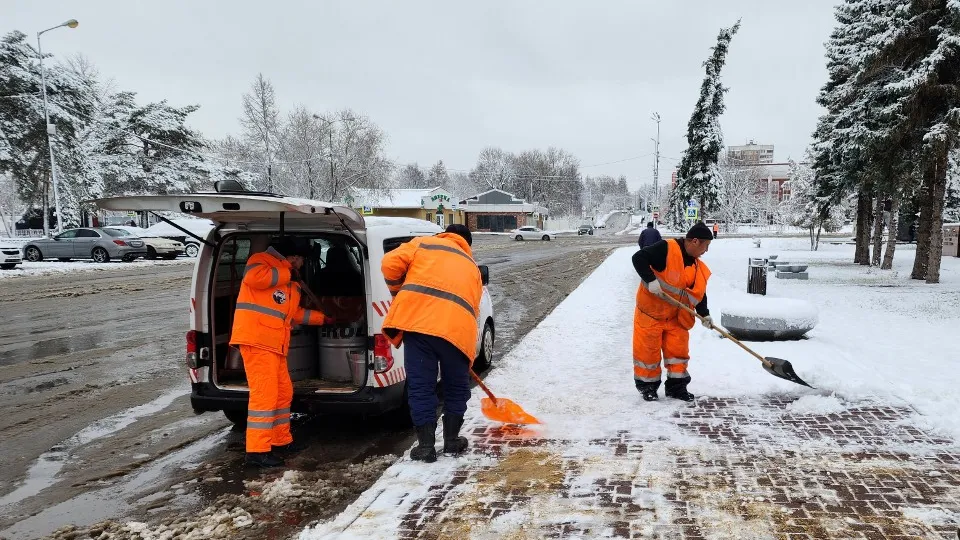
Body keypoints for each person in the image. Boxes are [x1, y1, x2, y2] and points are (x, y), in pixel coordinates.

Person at [381, 224, 483, 463]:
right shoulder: (472, 267)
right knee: (456, 387)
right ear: (467, 243)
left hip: (419, 327)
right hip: (456, 333)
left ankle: (426, 447)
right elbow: (474, 307)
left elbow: (389, 264)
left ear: (444, 234)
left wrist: (399, 292)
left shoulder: (423, 244)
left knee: (421, 386)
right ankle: (451, 442)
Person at [230, 237, 331, 468]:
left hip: (275, 343)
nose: (303, 263)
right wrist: (287, 269)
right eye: (302, 259)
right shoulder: (261, 261)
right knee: (264, 396)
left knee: (283, 392)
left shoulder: (289, 281)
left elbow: (291, 314)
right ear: (293, 257)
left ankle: (280, 440)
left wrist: (322, 319)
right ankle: (257, 451)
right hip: (256, 340)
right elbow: (254, 278)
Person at [631, 222, 714, 402]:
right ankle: (648, 388)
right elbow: (638, 258)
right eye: (705, 246)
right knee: (648, 355)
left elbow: (699, 293)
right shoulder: (666, 248)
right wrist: (650, 280)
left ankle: (677, 388)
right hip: (651, 314)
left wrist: (704, 314)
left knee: (678, 355)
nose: (706, 251)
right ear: (694, 241)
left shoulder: (697, 266)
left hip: (677, 318)